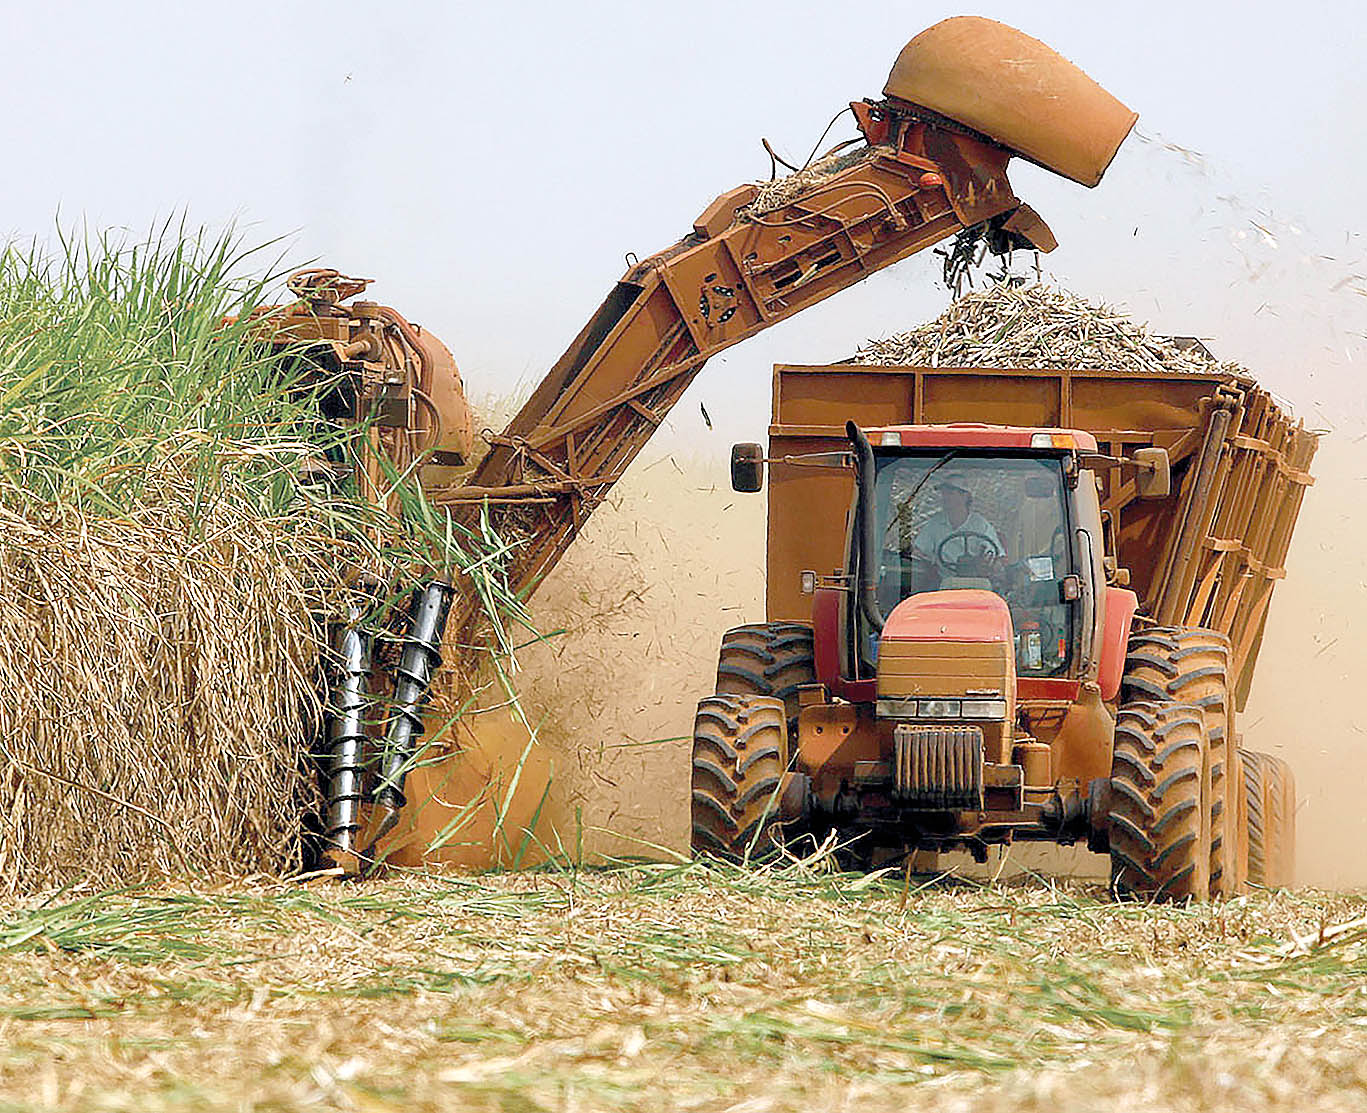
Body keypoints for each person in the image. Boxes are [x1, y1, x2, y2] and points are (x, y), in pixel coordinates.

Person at [911, 470, 1005, 579]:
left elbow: (995, 558)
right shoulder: (935, 524)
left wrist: (986, 565)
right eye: (944, 493)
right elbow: (918, 552)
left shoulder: (980, 525)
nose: (945, 497)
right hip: (943, 583)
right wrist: (928, 562)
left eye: (950, 493)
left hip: (976, 583)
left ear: (965, 496)